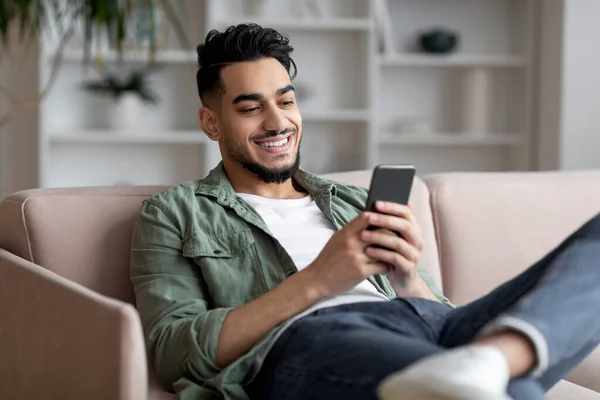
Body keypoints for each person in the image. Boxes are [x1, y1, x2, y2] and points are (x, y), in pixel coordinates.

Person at [130, 23, 600, 400]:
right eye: (251, 108)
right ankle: (493, 367)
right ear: (211, 122)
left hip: (425, 327)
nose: (278, 123)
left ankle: (490, 359)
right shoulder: (175, 212)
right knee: (501, 386)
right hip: (308, 341)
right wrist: (318, 281)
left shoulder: (353, 199)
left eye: (287, 101)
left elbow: (437, 315)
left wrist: (410, 280)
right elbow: (174, 351)